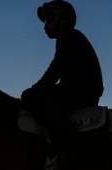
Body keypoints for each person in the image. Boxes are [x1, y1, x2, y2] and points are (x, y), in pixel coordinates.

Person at [21, 0, 103, 144]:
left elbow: (55, 70)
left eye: (49, 20)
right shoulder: (69, 37)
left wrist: (35, 89)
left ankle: (65, 139)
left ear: (62, 20)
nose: (45, 26)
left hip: (81, 91)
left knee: (31, 97)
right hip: (81, 89)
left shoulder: (68, 37)